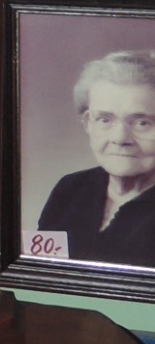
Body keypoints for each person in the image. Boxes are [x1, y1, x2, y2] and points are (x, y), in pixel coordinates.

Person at [37, 51, 155, 267]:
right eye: (104, 119)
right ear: (87, 125)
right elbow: (41, 269)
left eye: (142, 123)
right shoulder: (70, 189)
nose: (120, 138)